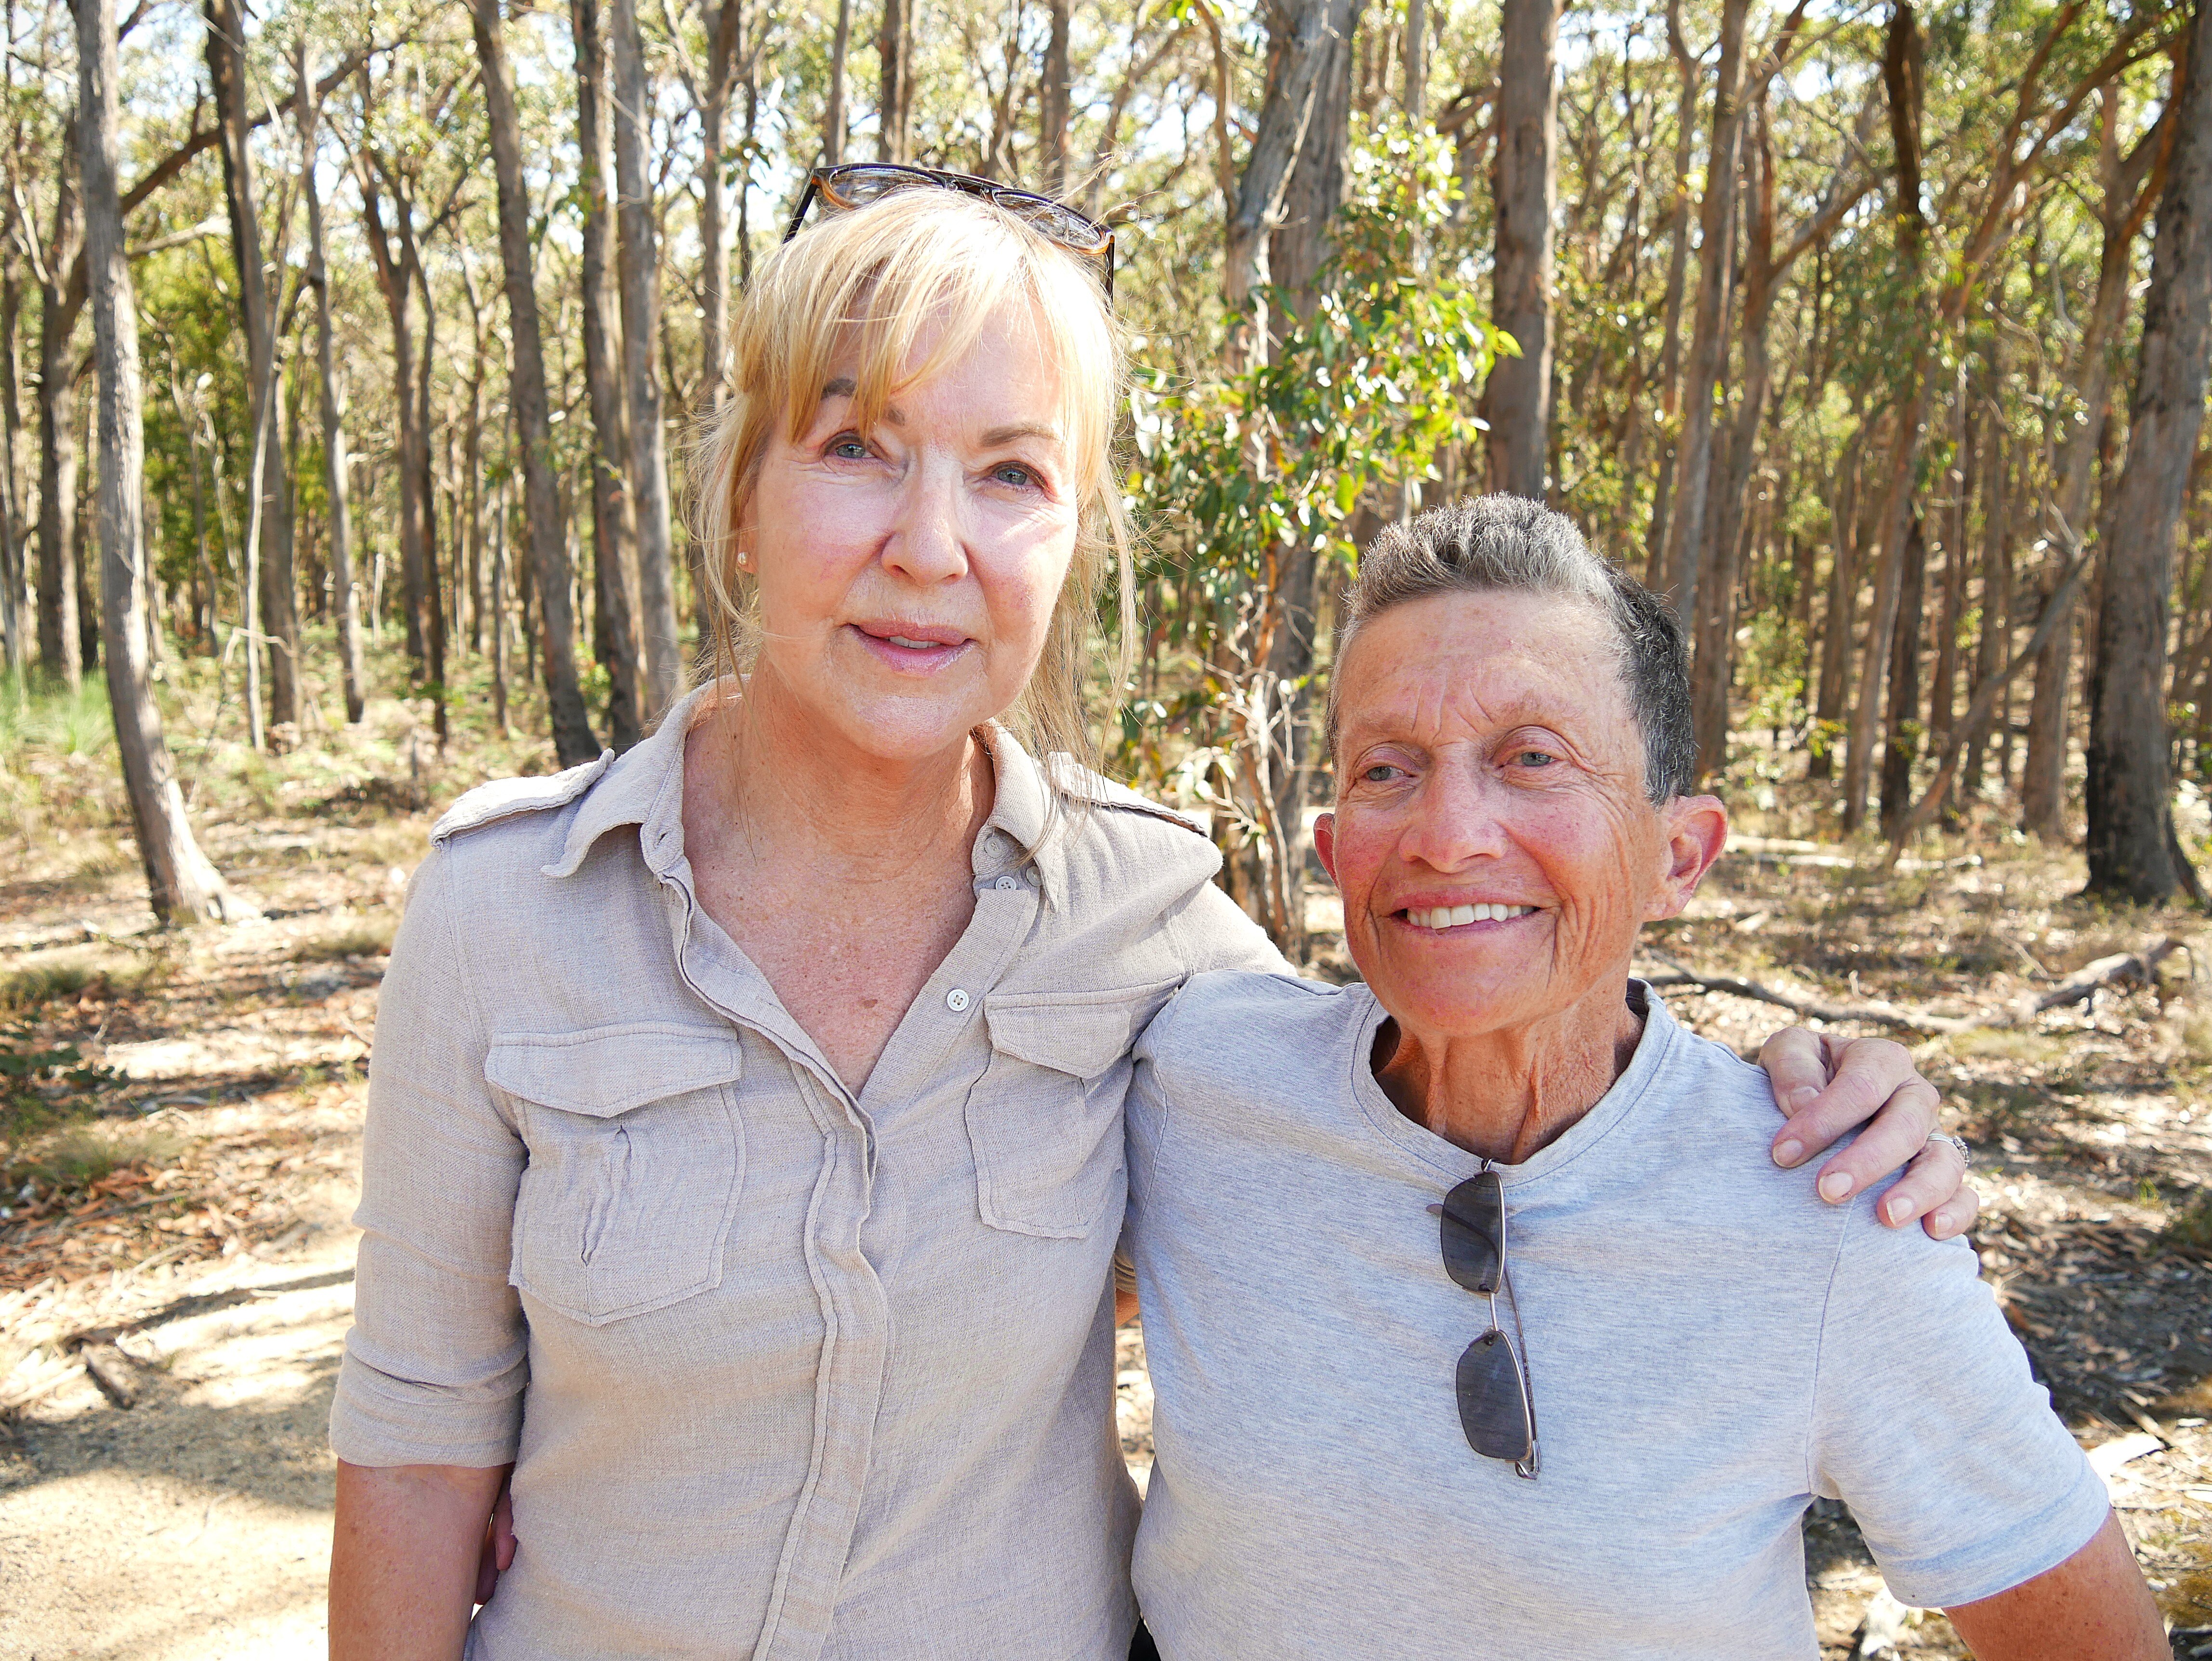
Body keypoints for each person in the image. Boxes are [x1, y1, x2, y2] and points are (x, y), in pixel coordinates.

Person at [326, 172, 1972, 1660]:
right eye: (856, 448)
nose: (929, 543)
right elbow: (414, 1442)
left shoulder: (1153, 918)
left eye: (1010, 472)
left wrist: (1816, 1085)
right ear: (744, 490)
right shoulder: (504, 907)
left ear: (1072, 540)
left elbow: (1432, 1090)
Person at [1123, 496, 2164, 1661]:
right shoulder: (1195, 1087)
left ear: (1680, 854)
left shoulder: (1836, 1207)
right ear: (1334, 851)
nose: (1446, 831)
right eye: (1386, 768)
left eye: (1531, 757)